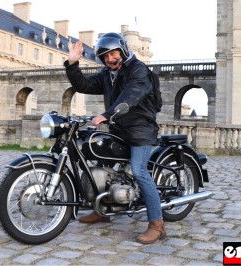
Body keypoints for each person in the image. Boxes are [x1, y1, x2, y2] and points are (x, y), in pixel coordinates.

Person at [63, 32, 166, 244]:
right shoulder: (107, 74)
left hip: (140, 131)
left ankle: (157, 224)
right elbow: (83, 85)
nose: (110, 59)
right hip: (119, 129)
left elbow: (131, 95)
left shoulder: (138, 70)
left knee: (139, 171)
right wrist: (72, 64)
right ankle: (103, 210)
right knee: (101, 165)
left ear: (122, 49)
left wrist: (107, 115)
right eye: (105, 56)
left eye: (113, 53)